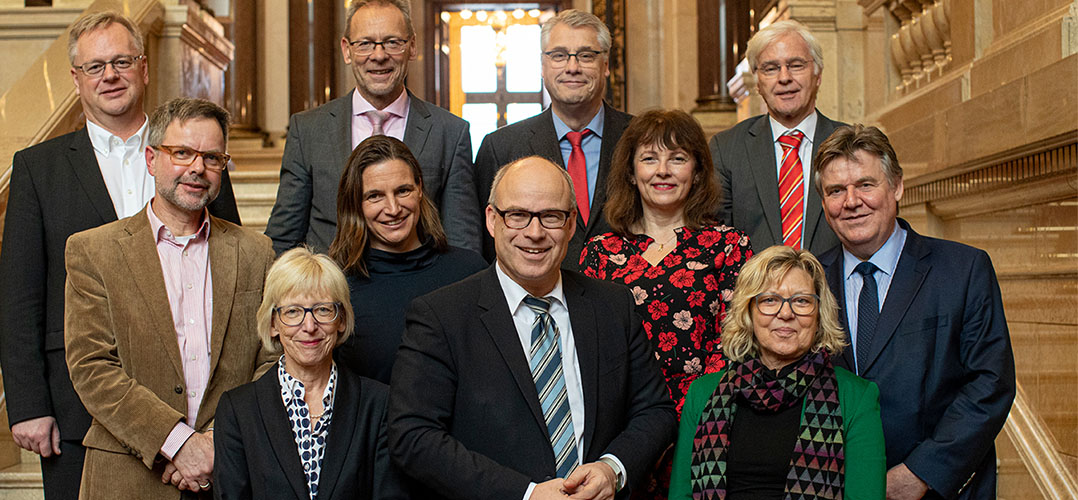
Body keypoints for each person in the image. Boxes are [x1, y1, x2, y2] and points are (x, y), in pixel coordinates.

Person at [0, 13, 240, 499]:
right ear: (76, 79)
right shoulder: (38, 168)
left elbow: (229, 262)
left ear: (144, 68)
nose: (109, 75)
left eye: (121, 62)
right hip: (77, 407)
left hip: (194, 400)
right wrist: (27, 402)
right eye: (95, 67)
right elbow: (19, 293)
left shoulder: (195, 157)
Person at [388, 156, 676, 500]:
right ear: (492, 220)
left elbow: (655, 410)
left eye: (551, 216)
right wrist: (526, 495)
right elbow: (413, 436)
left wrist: (611, 468)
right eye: (518, 215)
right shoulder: (441, 316)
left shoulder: (613, 306)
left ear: (571, 224)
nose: (535, 233)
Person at [63, 98, 275, 498]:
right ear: (150, 158)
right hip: (128, 476)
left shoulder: (255, 252)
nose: (198, 168)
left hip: (229, 471)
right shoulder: (94, 251)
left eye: (212, 157)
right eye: (182, 153)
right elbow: (92, 368)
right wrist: (179, 443)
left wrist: (215, 442)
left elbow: (271, 362)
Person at [815, 125, 1015, 500]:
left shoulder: (963, 269)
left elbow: (990, 383)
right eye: (836, 191)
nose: (851, 201)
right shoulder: (809, 282)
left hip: (941, 490)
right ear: (824, 204)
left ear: (897, 187)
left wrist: (921, 473)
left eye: (866, 185)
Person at [579, 110, 751, 498]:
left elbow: (737, 337)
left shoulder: (729, 246)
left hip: (707, 425)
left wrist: (691, 411)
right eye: (649, 158)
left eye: (677, 158)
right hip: (620, 435)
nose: (663, 171)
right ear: (630, 170)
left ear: (697, 169)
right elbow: (590, 347)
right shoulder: (600, 254)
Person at [669, 245, 886, 499]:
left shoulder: (857, 398)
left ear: (819, 314)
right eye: (770, 300)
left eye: (802, 301)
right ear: (749, 311)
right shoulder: (702, 393)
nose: (786, 313)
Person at [266, 0, 478, 255]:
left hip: (418, 290)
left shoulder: (450, 133)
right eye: (365, 44)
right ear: (347, 50)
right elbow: (284, 237)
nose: (379, 56)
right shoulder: (308, 129)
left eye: (392, 42)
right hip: (331, 289)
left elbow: (463, 245)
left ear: (412, 46)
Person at [213, 247, 409, 500]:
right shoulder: (238, 410)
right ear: (273, 324)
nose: (309, 326)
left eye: (323, 310)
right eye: (292, 311)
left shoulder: (379, 404)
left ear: (341, 319)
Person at [474, 9, 633, 269]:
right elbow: (487, 244)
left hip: (628, 298)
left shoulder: (639, 138)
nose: (572, 67)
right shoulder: (501, 147)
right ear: (542, 66)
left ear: (605, 66)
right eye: (559, 56)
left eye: (586, 56)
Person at [327, 135, 486, 383]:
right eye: (375, 196)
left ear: (420, 189)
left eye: (403, 191)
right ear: (356, 204)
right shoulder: (337, 286)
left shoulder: (470, 272)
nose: (393, 208)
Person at [709, 19, 843, 254]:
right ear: (758, 82)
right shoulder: (726, 149)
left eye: (796, 65)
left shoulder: (850, 143)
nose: (784, 78)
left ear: (817, 75)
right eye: (771, 68)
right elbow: (716, 240)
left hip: (835, 289)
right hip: (754, 289)